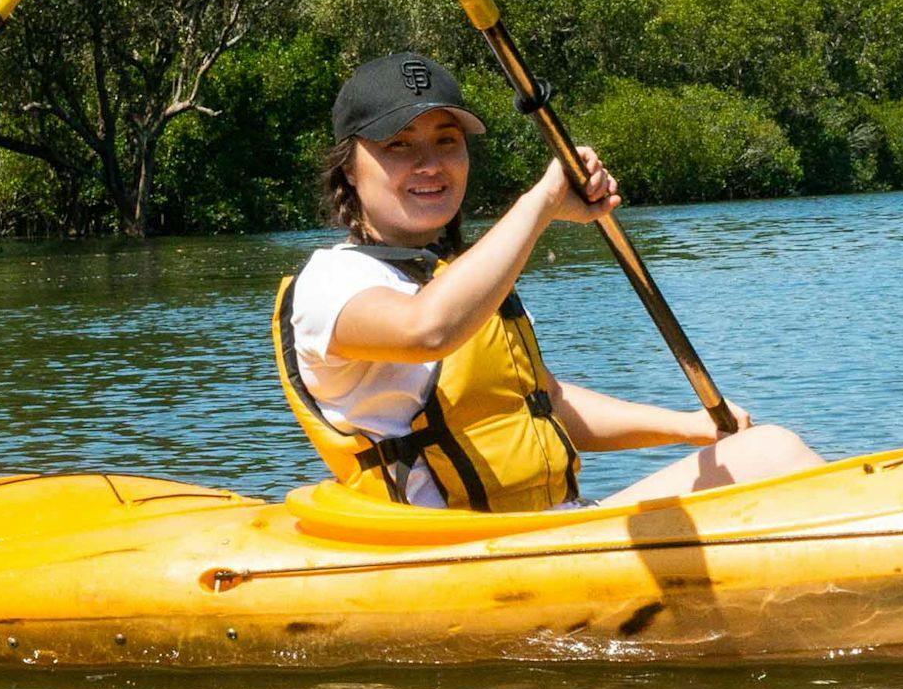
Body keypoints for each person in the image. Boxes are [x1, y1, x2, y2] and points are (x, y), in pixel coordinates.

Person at [276, 52, 822, 512]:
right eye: (400, 145)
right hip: (448, 552)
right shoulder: (331, 281)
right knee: (776, 453)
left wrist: (690, 427)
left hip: (548, 529)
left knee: (768, 453)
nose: (430, 164)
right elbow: (427, 329)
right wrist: (541, 203)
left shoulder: (463, 277)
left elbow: (546, 403)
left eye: (447, 142)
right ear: (349, 167)